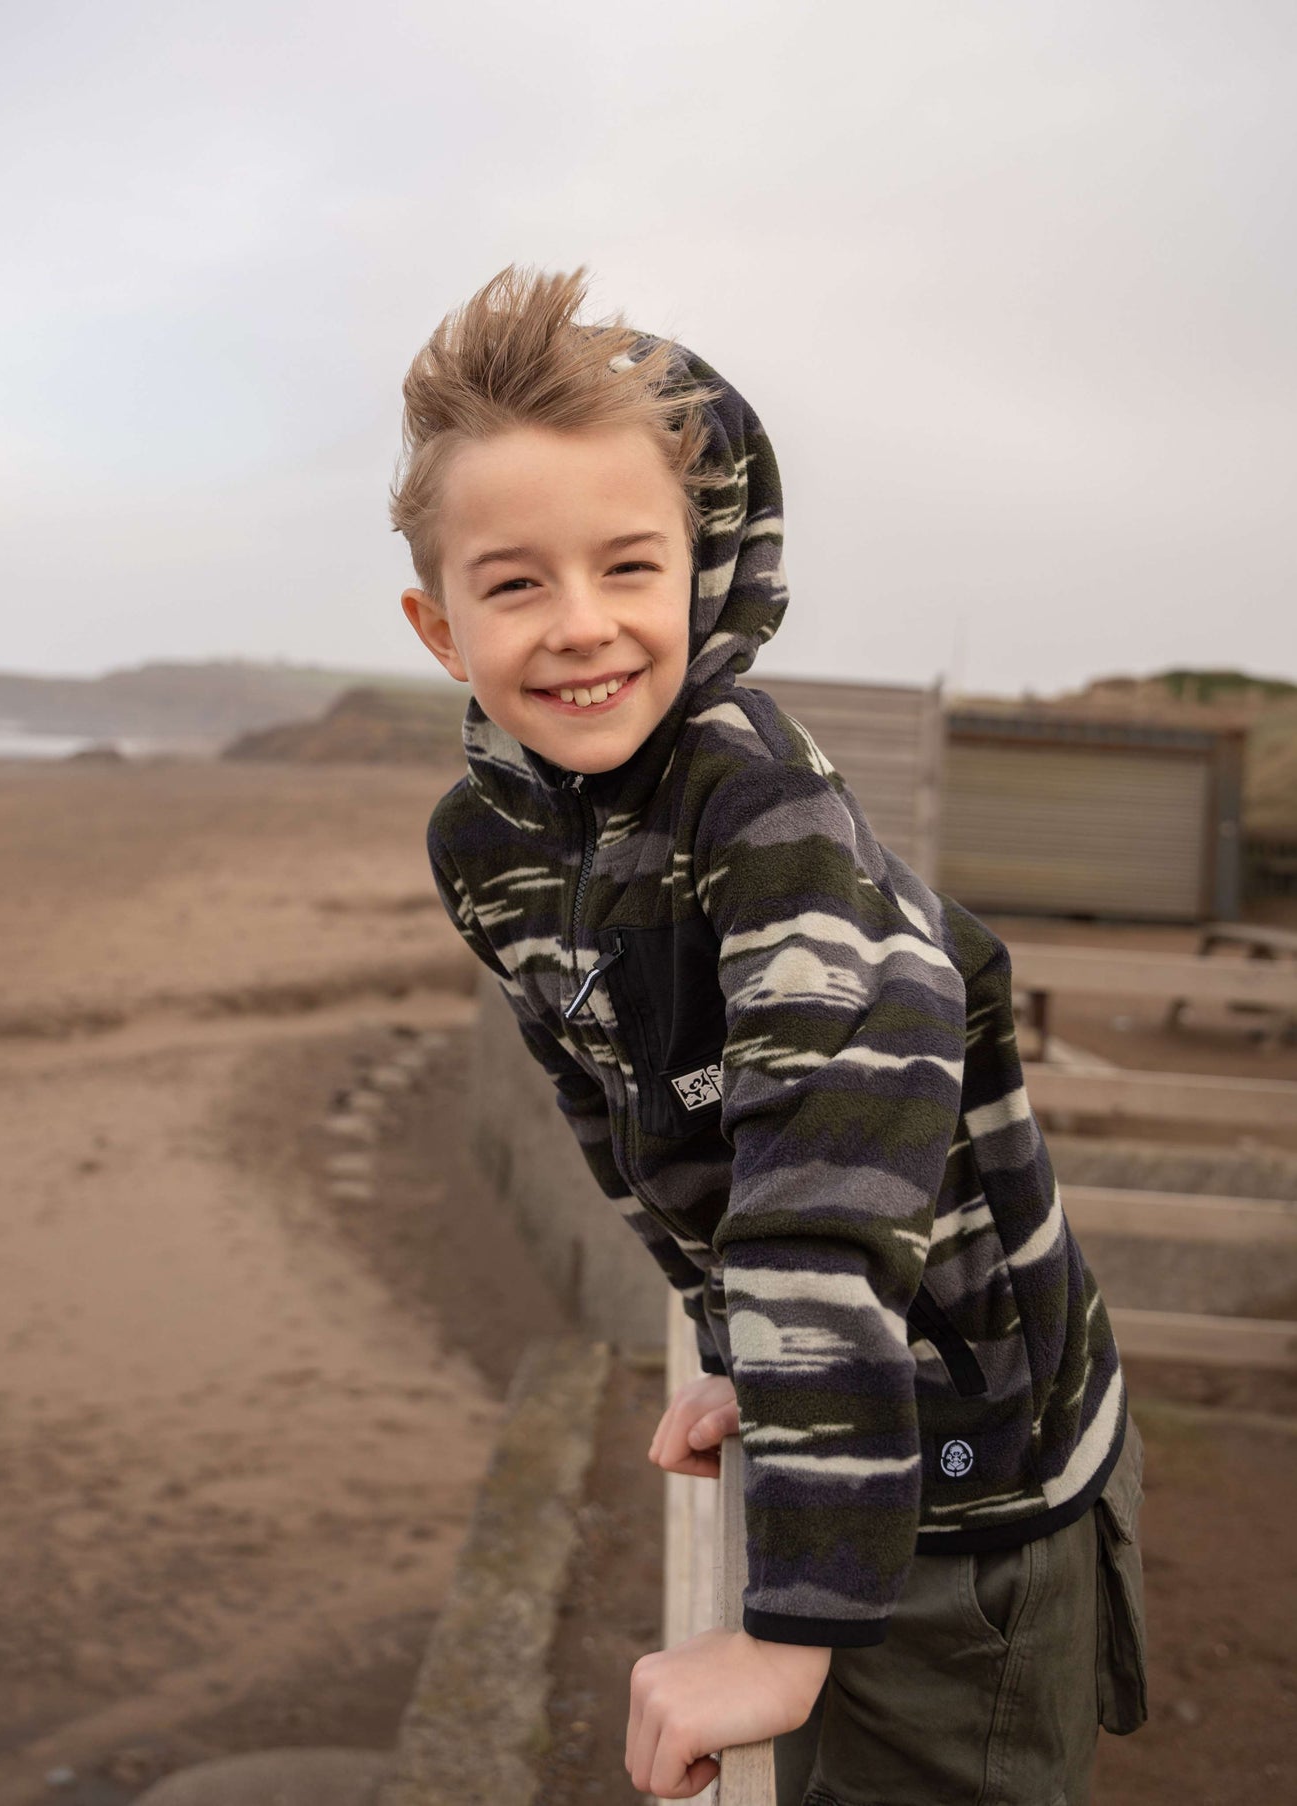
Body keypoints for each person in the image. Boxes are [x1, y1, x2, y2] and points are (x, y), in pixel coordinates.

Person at [392, 264, 1148, 1804]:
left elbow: (818, 1194)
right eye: (515, 581)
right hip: (840, 1402)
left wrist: (787, 1626)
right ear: (437, 622)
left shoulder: (767, 814)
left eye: (627, 565)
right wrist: (742, 1346)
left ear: (703, 566)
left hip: (971, 1456)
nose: (582, 625)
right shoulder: (490, 846)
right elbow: (626, 1126)